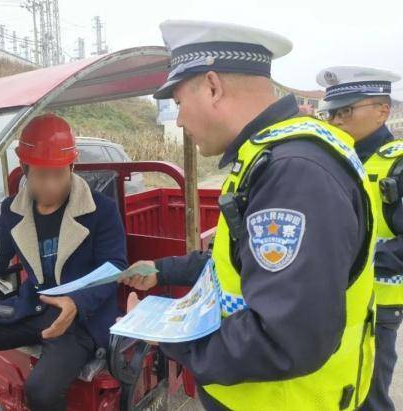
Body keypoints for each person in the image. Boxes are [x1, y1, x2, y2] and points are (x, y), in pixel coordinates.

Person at [121, 20, 377, 410]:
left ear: (212, 86)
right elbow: (238, 264)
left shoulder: (294, 175)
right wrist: (164, 270)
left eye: (179, 103)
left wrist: (169, 335)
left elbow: (285, 338)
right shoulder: (268, 158)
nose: (180, 120)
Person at [0, 113, 128, 411]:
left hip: (79, 319)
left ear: (72, 167)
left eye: (59, 174)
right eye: (40, 174)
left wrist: (77, 302)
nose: (50, 184)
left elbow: (114, 266)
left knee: (40, 392)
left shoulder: (101, 210)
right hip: (32, 308)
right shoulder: (13, 211)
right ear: (25, 168)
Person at [316, 66, 403, 411]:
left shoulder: (397, 164)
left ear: (383, 110)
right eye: (332, 113)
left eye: (347, 111)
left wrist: (353, 264)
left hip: (378, 307)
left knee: (369, 396)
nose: (336, 120)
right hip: (332, 301)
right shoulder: (334, 158)